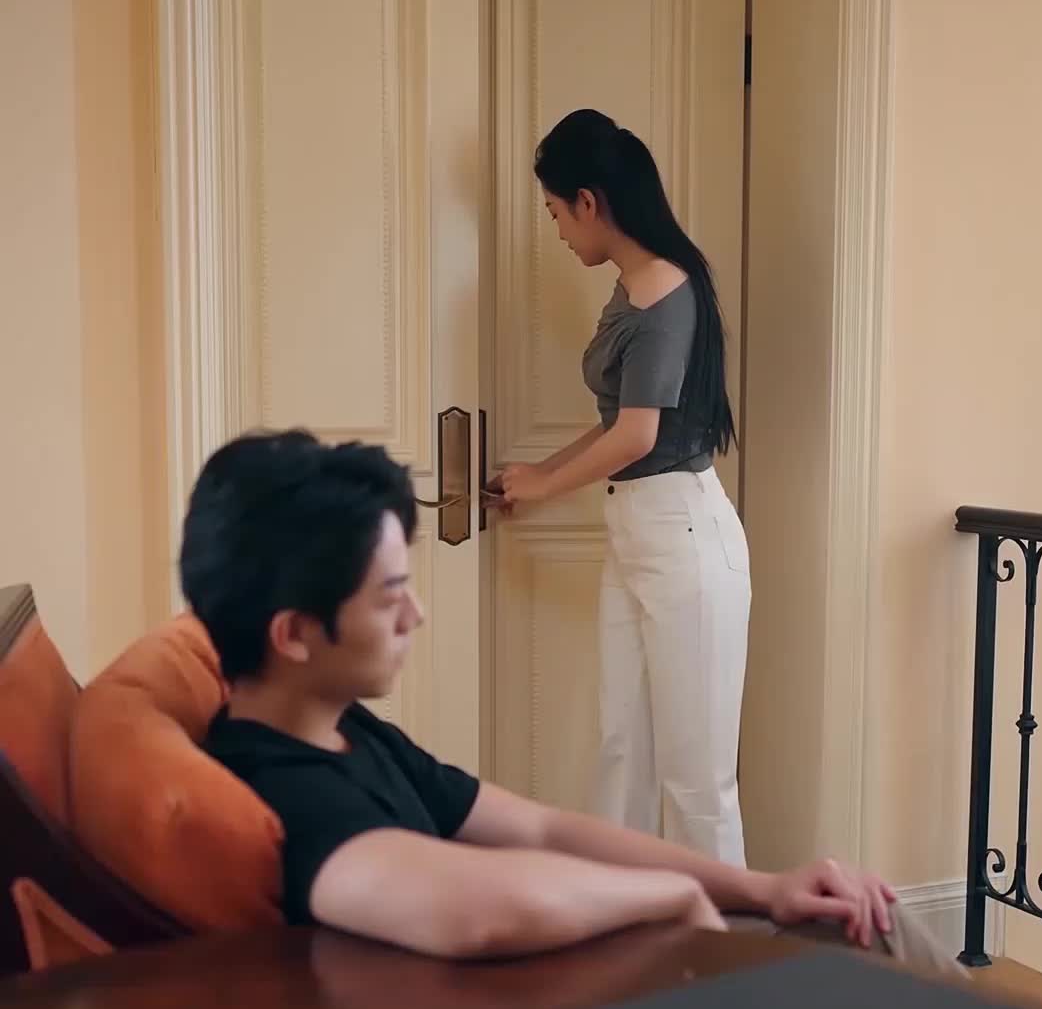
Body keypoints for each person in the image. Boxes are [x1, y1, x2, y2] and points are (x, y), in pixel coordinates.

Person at [180, 427, 902, 962]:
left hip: (584, 986)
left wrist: (764, 889)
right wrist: (669, 896)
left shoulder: (347, 733)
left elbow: (543, 831)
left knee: (859, 920)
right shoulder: (281, 788)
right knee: (868, 943)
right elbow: (472, 910)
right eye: (390, 597)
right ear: (294, 634)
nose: (416, 616)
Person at [495, 109, 750, 865]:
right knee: (621, 751)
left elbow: (638, 437)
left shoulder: (667, 295)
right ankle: (622, 919)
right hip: (637, 531)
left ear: (589, 201)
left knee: (698, 783)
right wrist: (538, 473)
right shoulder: (631, 287)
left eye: (555, 214)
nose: (557, 232)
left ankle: (731, 936)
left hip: (684, 538)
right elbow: (619, 426)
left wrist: (545, 486)